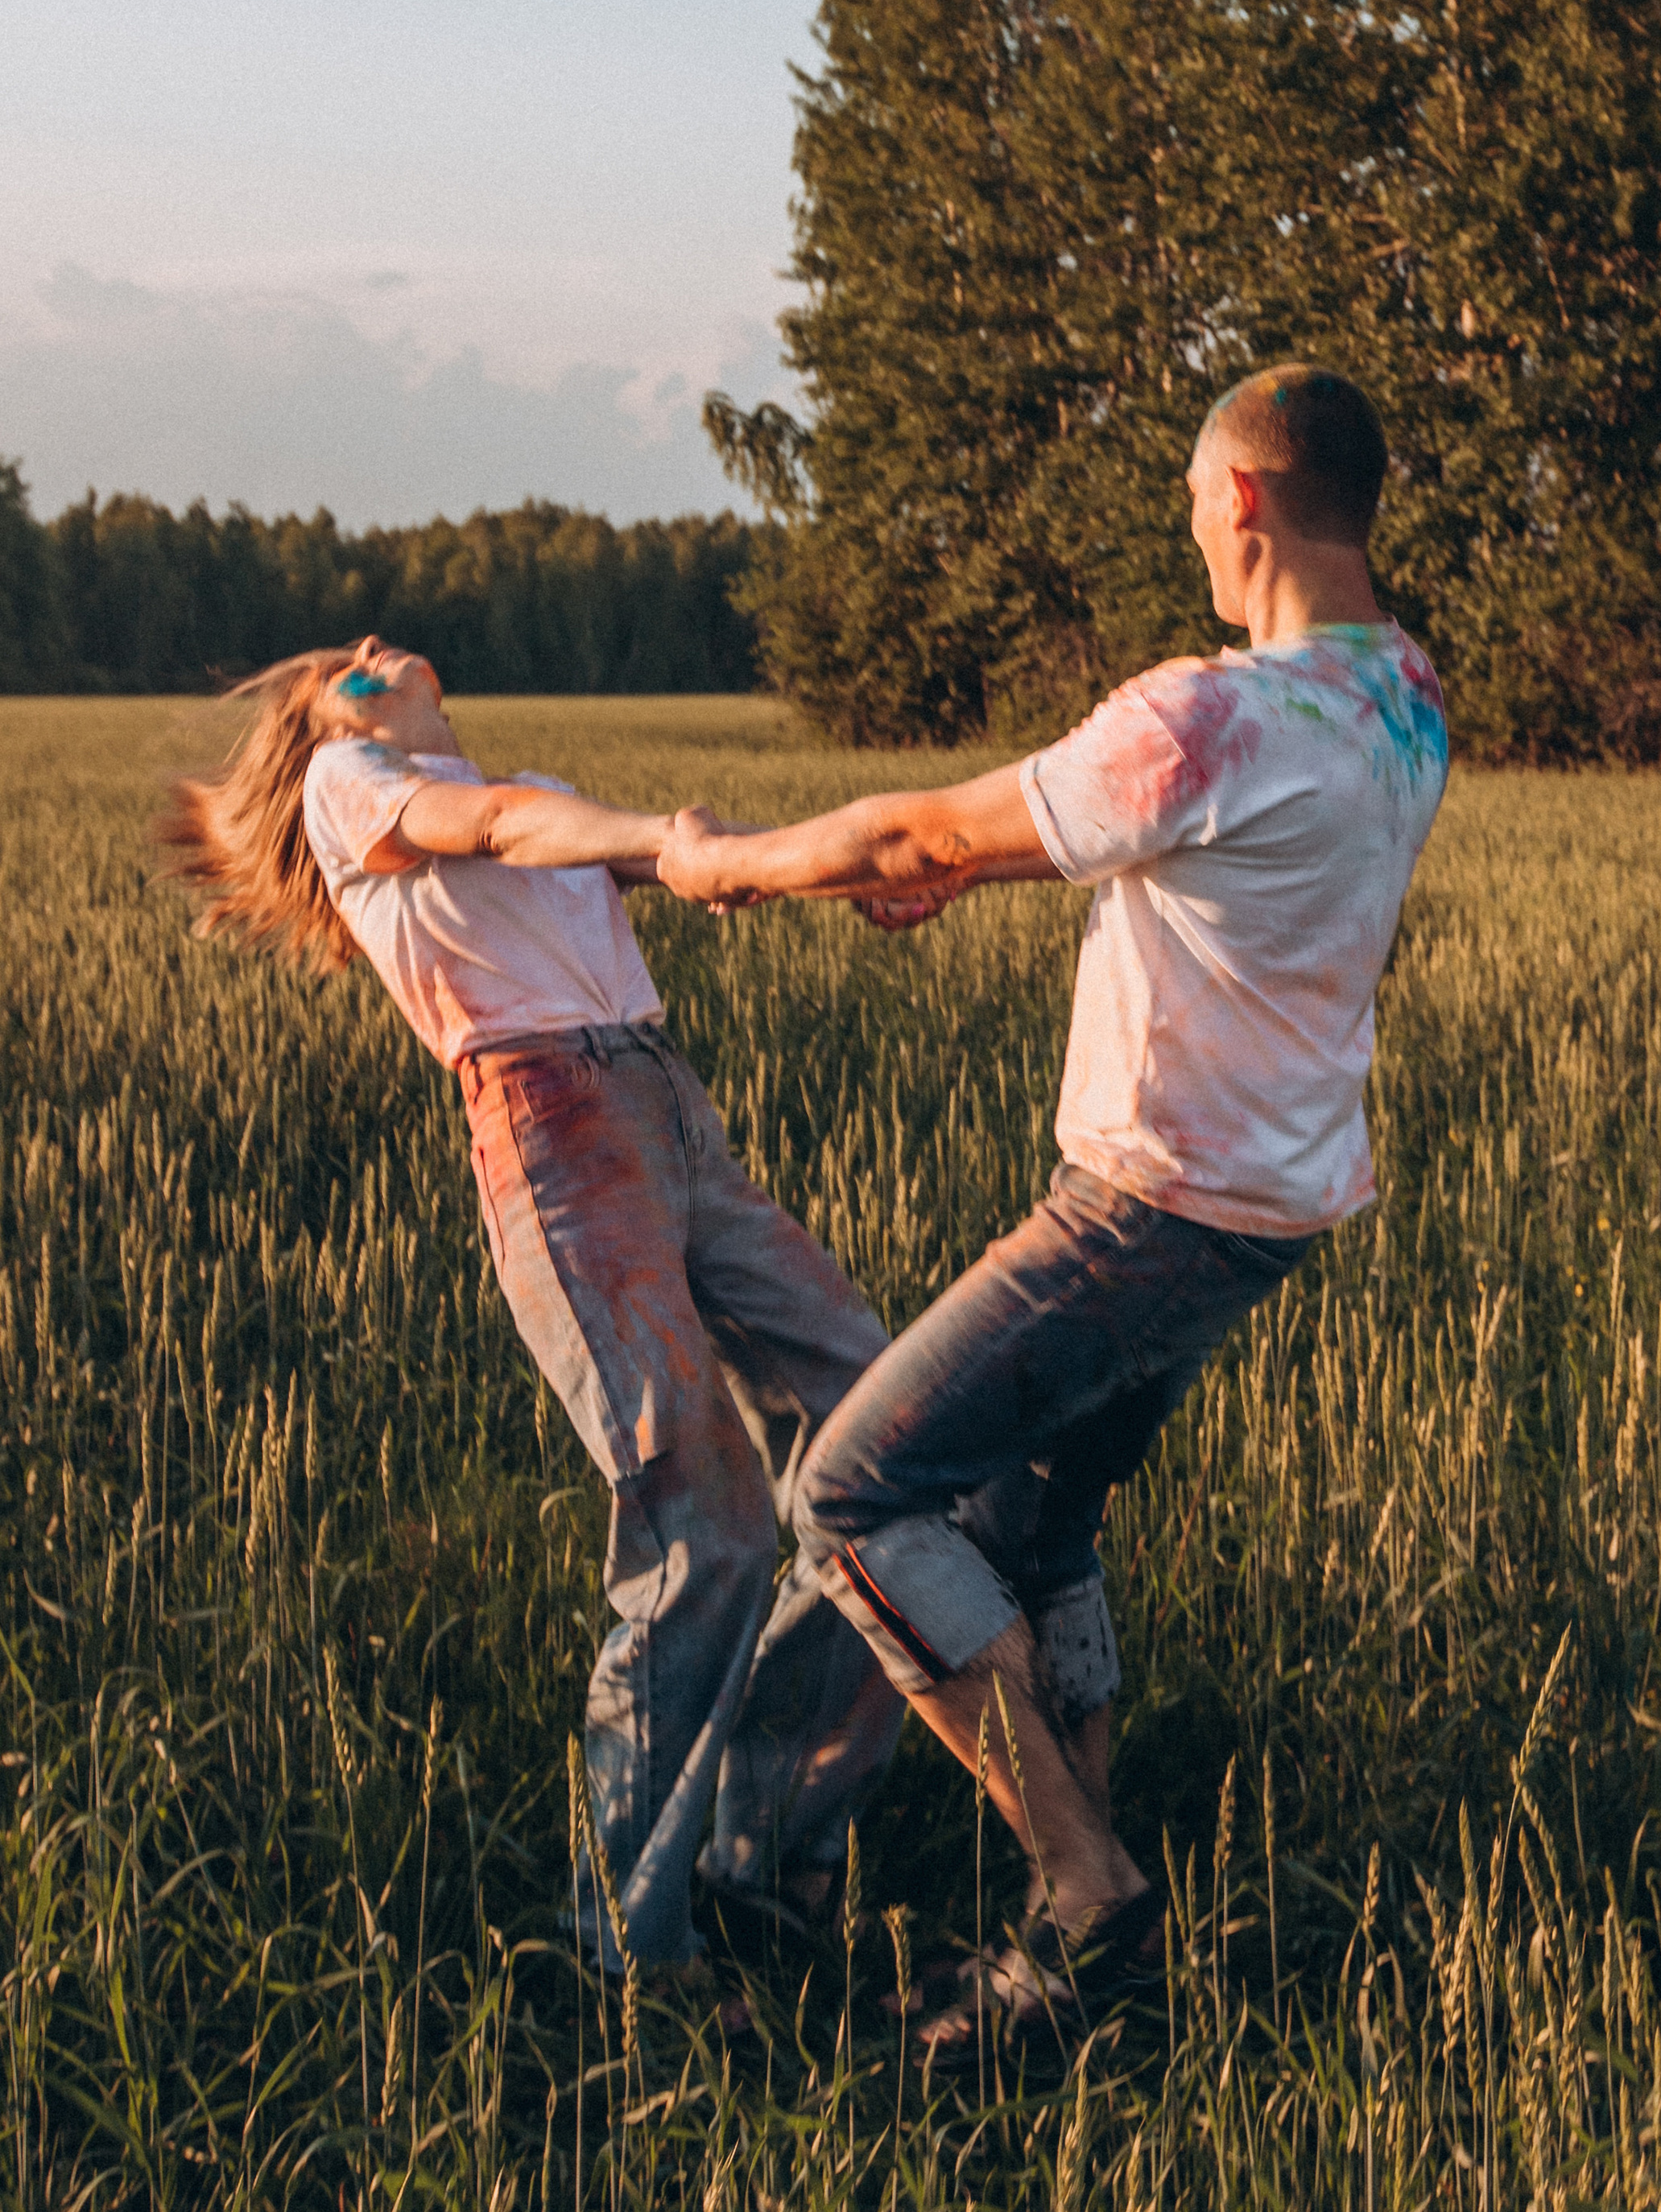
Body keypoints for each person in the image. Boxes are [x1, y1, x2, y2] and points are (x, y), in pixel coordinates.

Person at [655, 365, 1448, 2033]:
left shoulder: (1211, 713)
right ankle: (1065, 1938)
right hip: (1272, 1208)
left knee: (853, 1493)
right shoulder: (1399, 696)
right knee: (1035, 1521)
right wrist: (976, 861)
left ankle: (1088, 1892)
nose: (1195, 538)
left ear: (1243, 499)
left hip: (1147, 1206)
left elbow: (912, 833)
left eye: (1195, 507)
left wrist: (722, 864)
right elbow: (1193, 860)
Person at [159, 638, 901, 1974]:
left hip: (669, 1112)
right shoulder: (349, 781)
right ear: (325, 728)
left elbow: (690, 856)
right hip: (555, 1131)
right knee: (709, 1531)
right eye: (344, 671)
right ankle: (628, 1954)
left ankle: (766, 1856)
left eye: (373, 648)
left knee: (888, 1433)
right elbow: (502, 827)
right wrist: (669, 844)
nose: (371, 654)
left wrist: (874, 873)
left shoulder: (538, 796)